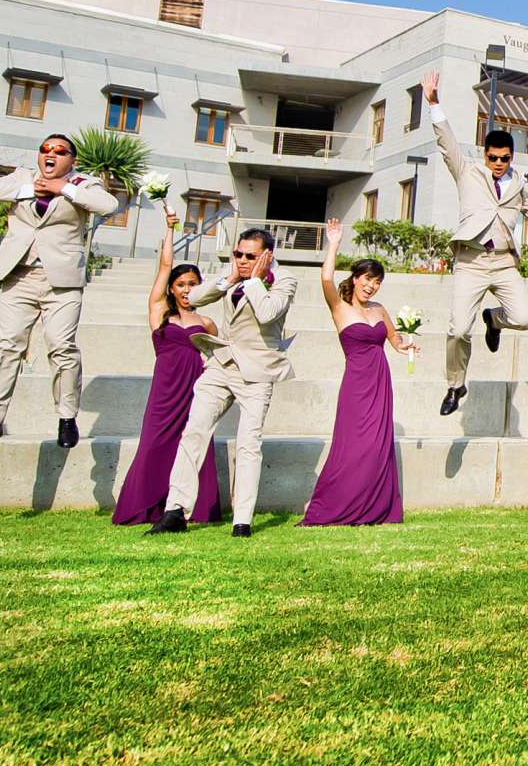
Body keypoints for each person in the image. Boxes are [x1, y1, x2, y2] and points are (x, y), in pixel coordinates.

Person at [421, 72, 528, 419]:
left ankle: (494, 319)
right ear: (485, 155)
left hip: (503, 263)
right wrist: (433, 104)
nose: (498, 164)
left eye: (504, 158)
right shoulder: (467, 172)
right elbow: (447, 143)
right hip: (471, 262)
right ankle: (456, 385)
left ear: (511, 157)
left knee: (525, 317)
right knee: (458, 329)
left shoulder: (520, 184)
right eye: (493, 158)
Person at [0, 133, 120, 453]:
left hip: (61, 282)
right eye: (45, 150)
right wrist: (28, 189)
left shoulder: (82, 183)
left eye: (60, 151)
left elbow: (108, 205)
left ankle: (66, 416)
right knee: (7, 347)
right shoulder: (22, 178)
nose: (51, 155)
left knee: (61, 347)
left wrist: (62, 188)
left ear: (71, 159)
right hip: (19, 276)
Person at [149, 227, 297, 538]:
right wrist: (229, 279)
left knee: (248, 444)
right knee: (194, 432)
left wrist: (255, 279)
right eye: (238, 254)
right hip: (221, 365)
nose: (242, 260)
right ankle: (176, 510)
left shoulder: (285, 281)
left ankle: (242, 519)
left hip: (257, 372)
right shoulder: (233, 275)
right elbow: (195, 297)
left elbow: (269, 312)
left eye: (250, 256)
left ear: (267, 256)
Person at [111, 210, 222, 527]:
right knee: (154, 444)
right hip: (165, 390)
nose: (188, 289)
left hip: (196, 389)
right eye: (182, 284)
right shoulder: (160, 313)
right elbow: (163, 266)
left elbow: (222, 357)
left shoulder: (207, 322)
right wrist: (170, 229)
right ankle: (145, 506)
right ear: (172, 288)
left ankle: (193, 508)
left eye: (194, 284)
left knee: (196, 443)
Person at [300, 219, 406, 526]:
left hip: (380, 380)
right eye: (367, 279)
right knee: (352, 445)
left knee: (377, 445)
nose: (371, 285)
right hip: (356, 384)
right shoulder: (339, 307)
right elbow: (325, 278)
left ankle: (374, 507)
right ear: (356, 278)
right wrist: (334, 243)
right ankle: (338, 504)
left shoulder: (379, 309)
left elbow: (394, 340)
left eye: (376, 281)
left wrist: (406, 345)